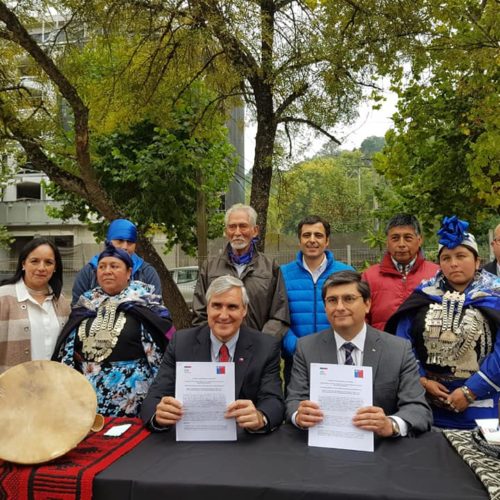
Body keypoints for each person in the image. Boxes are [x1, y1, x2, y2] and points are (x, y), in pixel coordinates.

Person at [286, 270, 431, 437]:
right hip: (324, 446)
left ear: (367, 304)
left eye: (349, 299)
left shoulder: (398, 350)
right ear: (325, 307)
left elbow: (418, 409)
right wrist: (299, 416)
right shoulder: (306, 348)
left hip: (382, 449)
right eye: (332, 300)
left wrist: (390, 425)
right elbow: (293, 401)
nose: (340, 307)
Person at [386, 216, 500, 429]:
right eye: (446, 258)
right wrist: (422, 381)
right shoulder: (424, 294)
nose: (453, 263)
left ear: (477, 261)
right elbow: (403, 343)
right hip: (429, 402)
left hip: (483, 402)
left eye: (461, 256)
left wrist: (470, 391)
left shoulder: (495, 295)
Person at [141, 275, 285, 433]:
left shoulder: (265, 346)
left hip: (244, 441)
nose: (223, 316)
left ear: (244, 310)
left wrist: (260, 416)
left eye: (232, 307)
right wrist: (159, 415)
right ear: (207, 308)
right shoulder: (181, 343)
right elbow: (153, 399)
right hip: (192, 440)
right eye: (216, 306)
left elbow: (274, 401)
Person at [53, 244, 173, 417]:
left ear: (129, 272)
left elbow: (165, 343)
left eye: (114, 266)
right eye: (102, 267)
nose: (107, 271)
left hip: (133, 397)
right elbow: (67, 350)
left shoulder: (146, 304)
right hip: (88, 397)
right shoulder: (85, 305)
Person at [192, 203, 289, 340]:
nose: (237, 232)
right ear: (226, 232)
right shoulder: (210, 267)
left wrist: (262, 344)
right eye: (232, 227)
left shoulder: (270, 268)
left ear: (255, 231)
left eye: (243, 226)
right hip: (220, 351)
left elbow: (279, 314)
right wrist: (216, 341)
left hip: (258, 352)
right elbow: (200, 313)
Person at [280, 215, 353, 389]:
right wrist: (296, 347)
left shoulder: (346, 272)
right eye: (307, 235)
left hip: (337, 358)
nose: (312, 240)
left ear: (327, 241)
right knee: (298, 412)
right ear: (299, 240)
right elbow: (277, 316)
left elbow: (355, 315)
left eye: (318, 235)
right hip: (296, 360)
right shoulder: (282, 274)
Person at [0, 238, 70, 373]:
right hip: (11, 388)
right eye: (34, 261)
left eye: (48, 262)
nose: (41, 268)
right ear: (23, 264)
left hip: (53, 386)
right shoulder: (3, 298)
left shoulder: (61, 302)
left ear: (55, 267)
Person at [362, 213, 439, 331]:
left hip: (423, 347)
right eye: (395, 238)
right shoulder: (370, 276)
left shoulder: (436, 274)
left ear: (419, 240)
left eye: (408, 238)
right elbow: (361, 317)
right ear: (387, 242)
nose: (401, 244)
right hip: (382, 346)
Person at [72, 218, 162, 304]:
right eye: (120, 241)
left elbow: (156, 309)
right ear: (109, 241)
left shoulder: (146, 272)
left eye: (130, 242)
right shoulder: (89, 272)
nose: (125, 247)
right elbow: (77, 307)